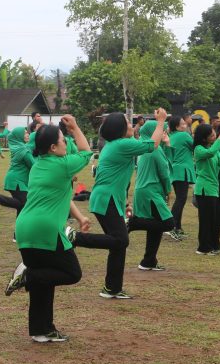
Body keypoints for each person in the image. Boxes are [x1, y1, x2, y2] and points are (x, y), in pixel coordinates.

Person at [6, 115, 92, 343]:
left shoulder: (39, 166)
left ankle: (41, 330)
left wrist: (80, 216)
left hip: (25, 228)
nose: (66, 143)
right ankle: (27, 274)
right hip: (45, 229)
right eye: (63, 140)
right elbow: (86, 151)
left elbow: (62, 195)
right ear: (53, 147)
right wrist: (75, 127)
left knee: (43, 283)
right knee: (72, 273)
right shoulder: (62, 165)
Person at [71, 109, 167, 299]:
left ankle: (112, 288)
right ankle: (75, 238)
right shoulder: (122, 144)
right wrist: (161, 121)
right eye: (128, 123)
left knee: (118, 245)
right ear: (120, 129)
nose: (132, 125)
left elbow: (117, 178)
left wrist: (124, 204)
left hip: (108, 198)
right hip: (106, 198)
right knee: (121, 240)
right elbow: (153, 145)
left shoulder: (116, 145)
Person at [128, 120, 173, 271]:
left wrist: (166, 145)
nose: (165, 134)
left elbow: (164, 163)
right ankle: (134, 223)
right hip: (151, 192)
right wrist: (168, 189)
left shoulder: (146, 146)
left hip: (145, 190)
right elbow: (165, 172)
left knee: (155, 227)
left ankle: (148, 261)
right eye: (162, 131)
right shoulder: (154, 150)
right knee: (168, 223)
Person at [193, 124, 220, 255]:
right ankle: (204, 248)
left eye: (214, 134)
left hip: (213, 188)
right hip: (204, 189)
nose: (214, 136)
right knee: (206, 219)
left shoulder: (213, 148)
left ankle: (215, 245)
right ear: (204, 138)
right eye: (211, 135)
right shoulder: (199, 150)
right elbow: (210, 153)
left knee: (216, 219)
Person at [0, 127, 34, 233]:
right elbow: (33, 165)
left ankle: (17, 235)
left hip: (16, 179)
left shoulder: (19, 147)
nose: (27, 134)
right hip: (17, 181)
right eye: (25, 133)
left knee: (22, 207)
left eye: (27, 133)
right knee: (24, 205)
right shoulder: (23, 150)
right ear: (18, 136)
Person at [165, 115, 194, 240]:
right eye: (183, 123)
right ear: (177, 126)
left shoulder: (172, 136)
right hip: (182, 170)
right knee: (181, 200)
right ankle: (170, 226)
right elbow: (195, 146)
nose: (185, 125)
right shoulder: (184, 135)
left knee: (180, 199)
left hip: (175, 170)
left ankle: (177, 227)